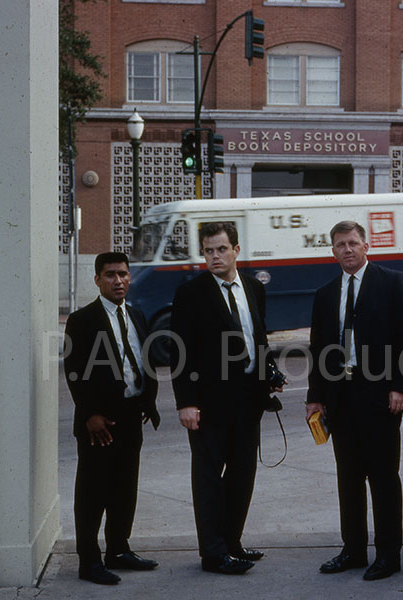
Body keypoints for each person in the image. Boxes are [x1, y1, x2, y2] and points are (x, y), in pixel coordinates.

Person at [305, 221, 403, 581]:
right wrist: (315, 398)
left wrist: (402, 386)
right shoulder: (325, 293)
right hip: (341, 399)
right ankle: (353, 549)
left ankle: (388, 555)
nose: (348, 250)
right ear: (333, 250)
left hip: (381, 397)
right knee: (348, 477)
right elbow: (318, 348)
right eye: (340, 245)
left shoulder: (391, 282)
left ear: (366, 246)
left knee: (383, 478)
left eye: (354, 243)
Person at [170, 222, 283, 575]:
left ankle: (232, 542)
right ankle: (213, 553)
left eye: (221, 249)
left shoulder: (252, 288)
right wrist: (186, 402)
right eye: (208, 251)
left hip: (248, 400)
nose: (215, 257)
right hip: (208, 404)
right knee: (208, 478)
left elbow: (257, 337)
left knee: (242, 474)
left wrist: (270, 373)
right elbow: (181, 352)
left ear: (236, 249)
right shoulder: (191, 293)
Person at [63, 252, 161, 585]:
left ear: (129, 277)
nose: (117, 281)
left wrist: (149, 401)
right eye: (109, 275)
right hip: (99, 423)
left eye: (122, 274)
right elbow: (75, 371)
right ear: (97, 279)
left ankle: (118, 549)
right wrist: (90, 414)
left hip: (131, 417)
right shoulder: (82, 320)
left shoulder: (137, 315)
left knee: (124, 489)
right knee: (92, 493)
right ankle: (88, 561)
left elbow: (143, 361)